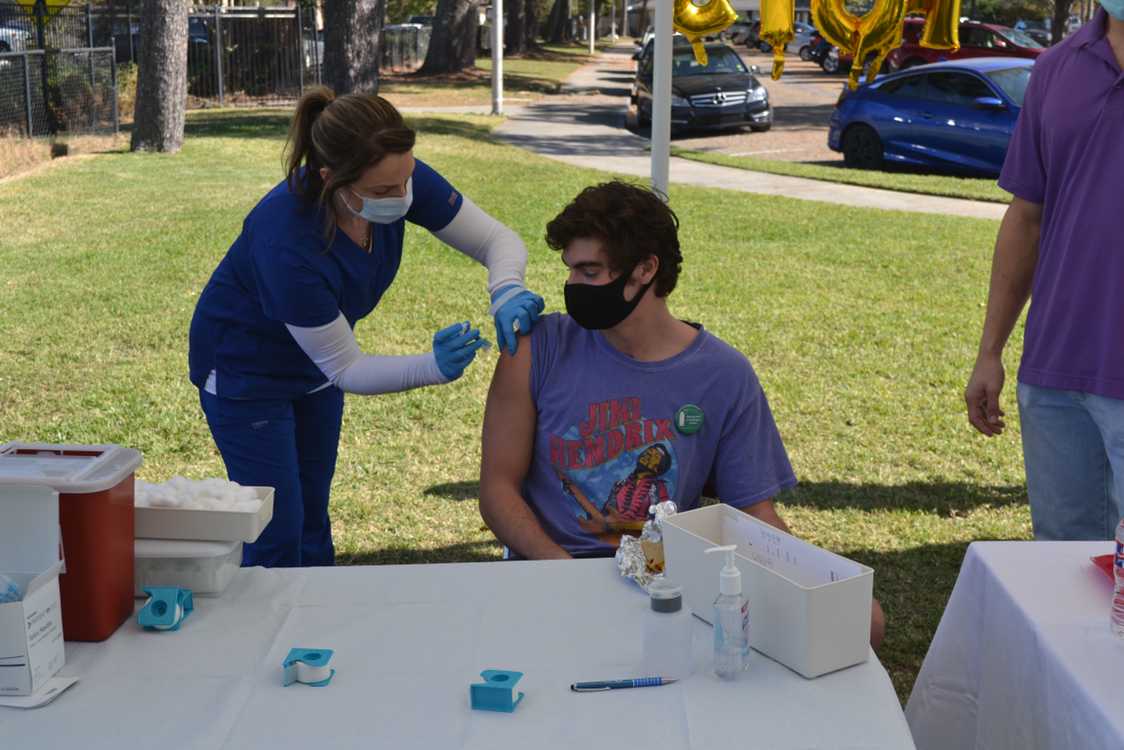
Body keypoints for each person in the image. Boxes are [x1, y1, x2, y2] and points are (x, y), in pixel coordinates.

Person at [479, 181, 885, 647]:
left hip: (665, 587)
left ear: (645, 270)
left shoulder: (723, 375)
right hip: (546, 579)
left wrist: (826, 588)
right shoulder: (535, 347)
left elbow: (753, 514)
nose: (572, 287)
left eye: (589, 272)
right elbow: (497, 490)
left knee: (863, 622)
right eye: (571, 270)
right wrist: (566, 575)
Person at [189, 88, 544, 567]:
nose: (401, 197)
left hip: (313, 371)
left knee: (313, 511)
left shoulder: (394, 175)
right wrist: (432, 367)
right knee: (276, 525)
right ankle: (269, 634)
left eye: (407, 180)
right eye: (382, 192)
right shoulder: (287, 240)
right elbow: (348, 368)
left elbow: (496, 239)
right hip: (246, 373)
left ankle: (317, 625)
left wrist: (505, 289)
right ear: (329, 178)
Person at [965, 3, 1124, 541]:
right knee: (1067, 575)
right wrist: (991, 351)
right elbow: (1026, 218)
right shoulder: (1057, 67)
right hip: (1054, 376)